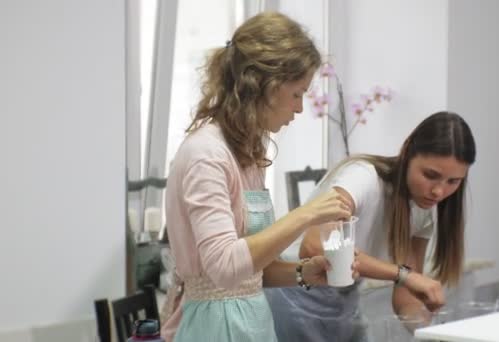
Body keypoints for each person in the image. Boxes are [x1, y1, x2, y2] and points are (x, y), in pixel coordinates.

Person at [159, 12, 353, 342]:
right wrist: (307, 215)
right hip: (214, 328)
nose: (300, 108)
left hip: (252, 322)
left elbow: (251, 271)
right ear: (267, 86)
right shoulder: (205, 155)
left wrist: (305, 273)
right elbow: (224, 266)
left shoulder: (247, 156)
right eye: (297, 94)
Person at [266, 111, 477, 341]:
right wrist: (402, 275)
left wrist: (431, 332)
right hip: (294, 293)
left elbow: (406, 299)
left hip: (344, 303)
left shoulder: (422, 214)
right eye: (430, 175)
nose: (439, 191)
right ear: (407, 150)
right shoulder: (362, 177)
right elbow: (315, 247)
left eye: (453, 182)